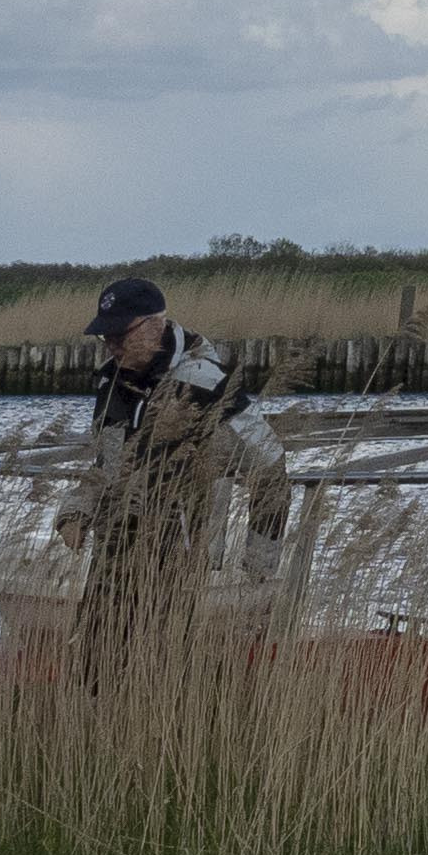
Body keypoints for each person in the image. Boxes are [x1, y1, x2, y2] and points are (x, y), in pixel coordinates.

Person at [69, 274, 287, 676]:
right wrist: (76, 512)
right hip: (114, 555)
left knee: (166, 676)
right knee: (93, 672)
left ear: (156, 324)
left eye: (120, 335)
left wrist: (257, 572)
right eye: (105, 338)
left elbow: (271, 471)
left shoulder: (206, 385)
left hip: (183, 563)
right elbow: (103, 464)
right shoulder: (110, 381)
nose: (113, 346)